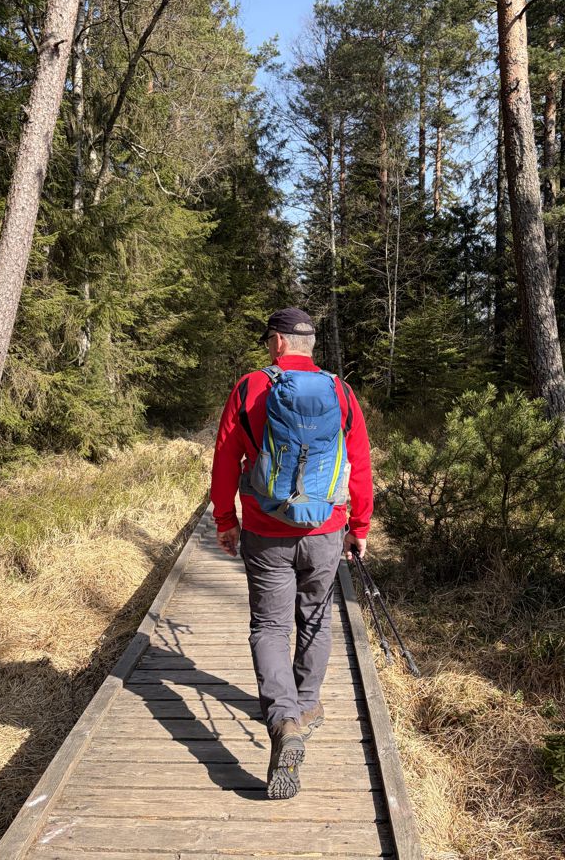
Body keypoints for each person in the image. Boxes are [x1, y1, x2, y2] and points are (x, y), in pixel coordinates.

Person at [210, 307, 373, 799]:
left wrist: (226, 519)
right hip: (326, 528)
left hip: (265, 528)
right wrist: (359, 526)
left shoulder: (250, 387)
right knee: (316, 620)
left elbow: (225, 457)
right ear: (310, 343)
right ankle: (305, 706)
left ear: (278, 342)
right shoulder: (341, 391)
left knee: (269, 626)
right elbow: (359, 463)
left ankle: (283, 721)